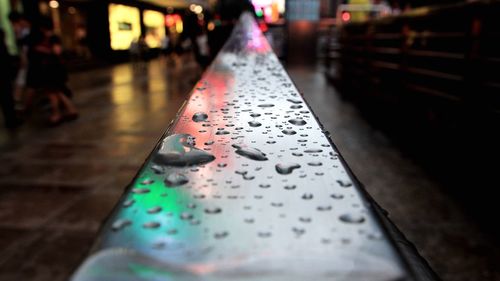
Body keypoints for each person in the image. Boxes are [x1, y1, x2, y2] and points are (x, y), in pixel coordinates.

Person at [27, 18, 78, 125]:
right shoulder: (45, 38)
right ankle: (68, 111)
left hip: (54, 69)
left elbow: (57, 51)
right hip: (51, 70)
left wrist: (42, 49)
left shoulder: (53, 38)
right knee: (56, 92)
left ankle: (58, 114)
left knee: (53, 92)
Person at [0, 29, 21, 128]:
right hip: (3, 76)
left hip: (4, 75)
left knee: (6, 99)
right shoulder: (2, 47)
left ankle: (11, 119)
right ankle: (11, 120)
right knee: (7, 99)